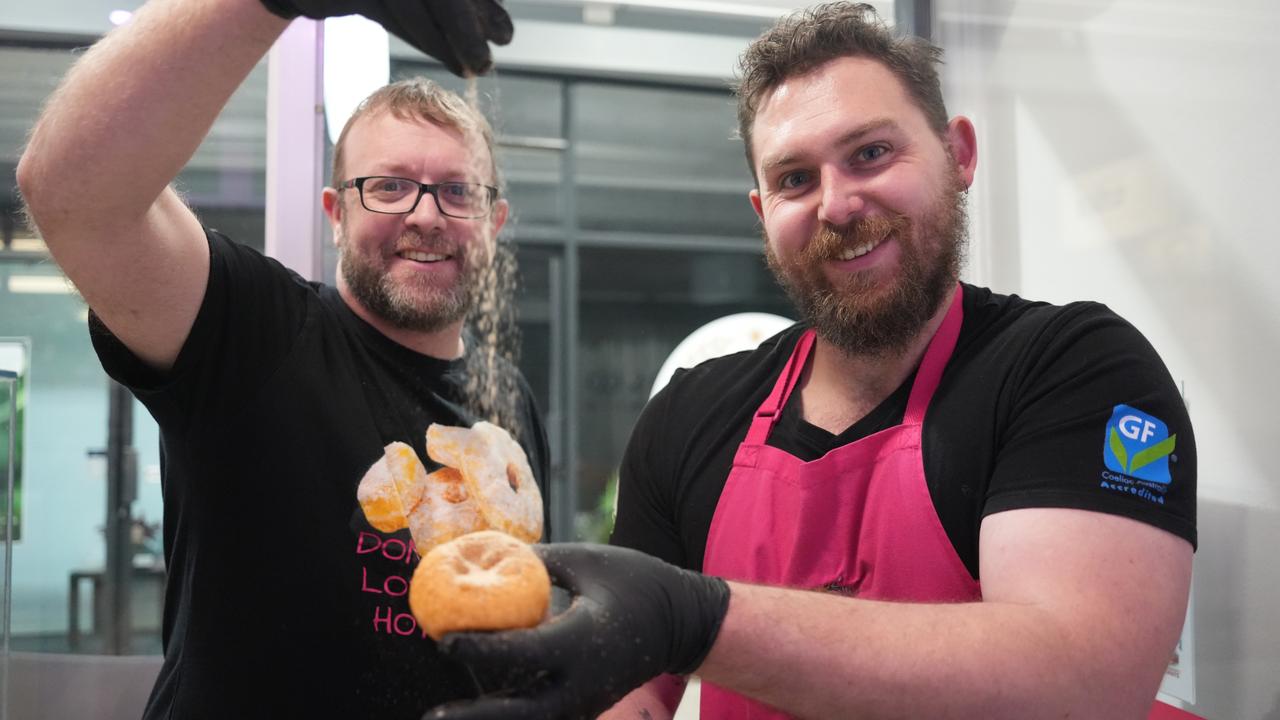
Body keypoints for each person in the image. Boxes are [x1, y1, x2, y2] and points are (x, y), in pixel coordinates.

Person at [426, 3, 1197, 719]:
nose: (836, 204)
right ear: (764, 216)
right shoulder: (690, 416)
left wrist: (700, 619)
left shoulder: (1072, 371)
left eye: (870, 152)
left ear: (958, 154)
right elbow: (632, 695)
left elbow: (1081, 681)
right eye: (795, 179)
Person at [15, 0, 549, 718]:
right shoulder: (255, 332)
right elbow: (72, 192)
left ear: (494, 222)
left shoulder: (504, 395)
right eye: (388, 185)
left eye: (457, 192)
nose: (426, 215)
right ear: (336, 213)